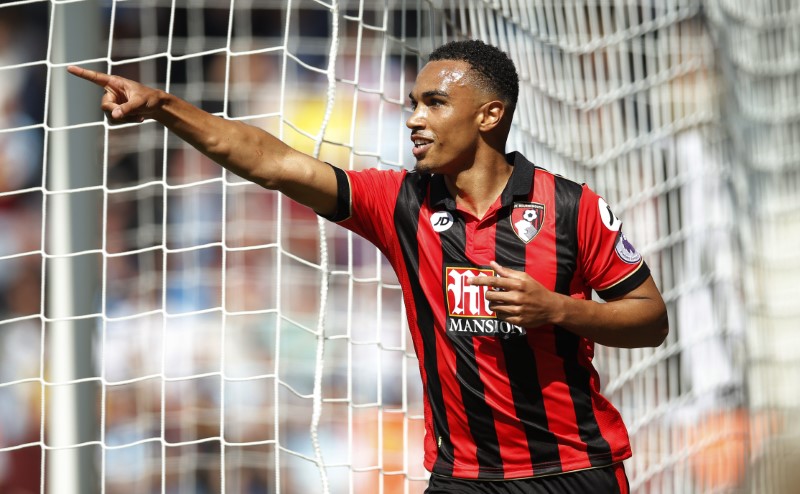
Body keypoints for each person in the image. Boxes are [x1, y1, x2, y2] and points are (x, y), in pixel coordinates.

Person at [69, 39, 668, 493]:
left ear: (489, 116)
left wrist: (556, 309)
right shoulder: (400, 203)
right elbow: (276, 164)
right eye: (413, 104)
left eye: (435, 103)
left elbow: (650, 319)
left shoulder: (572, 207)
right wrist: (166, 108)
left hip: (574, 467)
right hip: (464, 474)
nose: (414, 118)